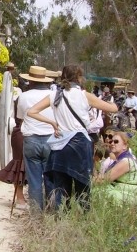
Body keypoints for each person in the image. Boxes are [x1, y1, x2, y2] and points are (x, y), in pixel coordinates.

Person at [27, 64, 118, 211]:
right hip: (79, 145)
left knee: (61, 190)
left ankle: (60, 219)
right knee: (83, 189)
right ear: (79, 78)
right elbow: (113, 109)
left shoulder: (54, 95)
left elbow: (32, 111)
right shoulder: (84, 95)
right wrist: (112, 102)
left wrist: (52, 123)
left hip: (60, 146)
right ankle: (82, 219)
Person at [16, 66, 55, 213]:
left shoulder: (24, 96)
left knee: (34, 180)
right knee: (50, 178)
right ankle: (51, 211)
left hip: (31, 139)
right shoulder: (53, 95)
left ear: (30, 81)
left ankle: (36, 215)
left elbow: (20, 118)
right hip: (51, 139)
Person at [93, 130, 137, 205]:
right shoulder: (119, 160)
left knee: (93, 191)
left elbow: (104, 180)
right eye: (111, 142)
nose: (112, 143)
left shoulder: (126, 161)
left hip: (125, 197)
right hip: (118, 193)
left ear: (125, 146)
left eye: (116, 142)